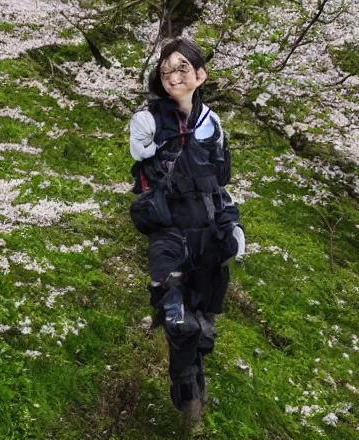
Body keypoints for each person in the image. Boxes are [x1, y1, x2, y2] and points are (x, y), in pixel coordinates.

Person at [128, 37, 246, 429]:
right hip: (169, 235)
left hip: (208, 234)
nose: (172, 74)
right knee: (178, 316)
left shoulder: (212, 122)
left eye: (182, 67)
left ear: (200, 75)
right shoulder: (148, 121)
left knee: (203, 319)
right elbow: (147, 175)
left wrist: (232, 223)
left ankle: (196, 372)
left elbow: (219, 182)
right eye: (166, 68)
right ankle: (184, 387)